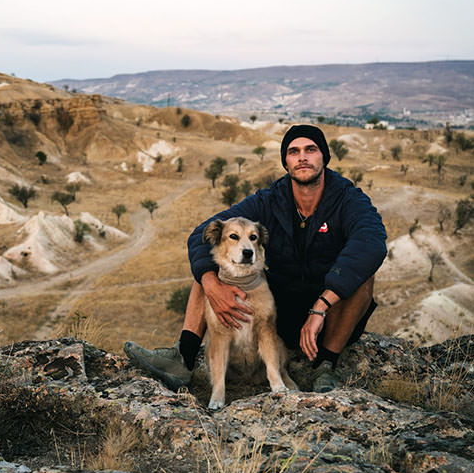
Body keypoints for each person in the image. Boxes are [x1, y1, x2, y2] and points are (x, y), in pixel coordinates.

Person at [125, 124, 387, 392]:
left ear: (324, 157)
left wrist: (321, 306)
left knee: (363, 274)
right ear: (286, 161)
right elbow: (202, 234)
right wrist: (212, 286)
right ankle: (184, 358)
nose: (303, 157)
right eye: (294, 152)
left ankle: (326, 366)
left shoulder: (348, 199)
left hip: (330, 316)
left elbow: (372, 243)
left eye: (311, 149)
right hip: (279, 313)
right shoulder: (270, 201)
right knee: (214, 263)